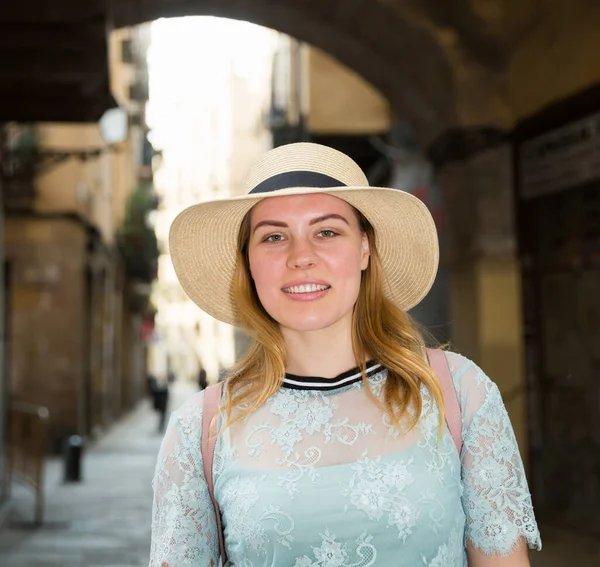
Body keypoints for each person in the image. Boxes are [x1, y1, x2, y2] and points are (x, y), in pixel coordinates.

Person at [149, 143, 541, 566]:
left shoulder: (461, 394)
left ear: (365, 249)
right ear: (248, 262)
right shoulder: (200, 431)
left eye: (327, 231)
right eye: (274, 237)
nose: (301, 257)